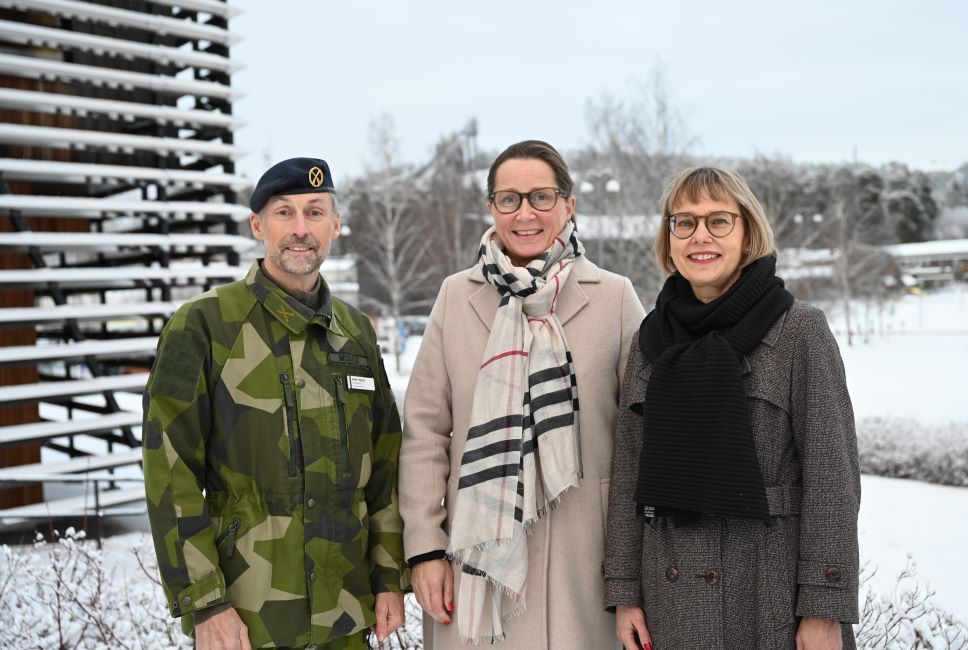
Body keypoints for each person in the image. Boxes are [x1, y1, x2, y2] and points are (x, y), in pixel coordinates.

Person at [142, 157, 408, 649]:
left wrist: (389, 575)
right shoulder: (202, 326)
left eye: (315, 212)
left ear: (336, 224)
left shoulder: (356, 334)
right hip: (247, 619)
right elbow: (169, 471)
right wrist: (205, 603)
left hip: (347, 616)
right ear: (257, 225)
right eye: (284, 213)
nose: (301, 229)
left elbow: (386, 464)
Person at [399, 140, 645, 648]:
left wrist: (631, 573)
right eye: (509, 199)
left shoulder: (616, 298)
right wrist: (425, 550)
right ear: (492, 207)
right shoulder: (455, 295)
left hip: (586, 562)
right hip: (473, 564)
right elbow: (425, 431)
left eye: (541, 197)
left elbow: (642, 439)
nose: (525, 213)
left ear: (569, 205)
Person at [604, 165, 860, 649]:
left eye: (718, 221)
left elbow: (833, 479)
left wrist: (824, 607)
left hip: (771, 597)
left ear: (747, 234)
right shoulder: (650, 339)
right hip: (668, 600)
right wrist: (624, 593)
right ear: (669, 238)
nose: (700, 236)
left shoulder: (799, 330)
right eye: (684, 222)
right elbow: (627, 476)